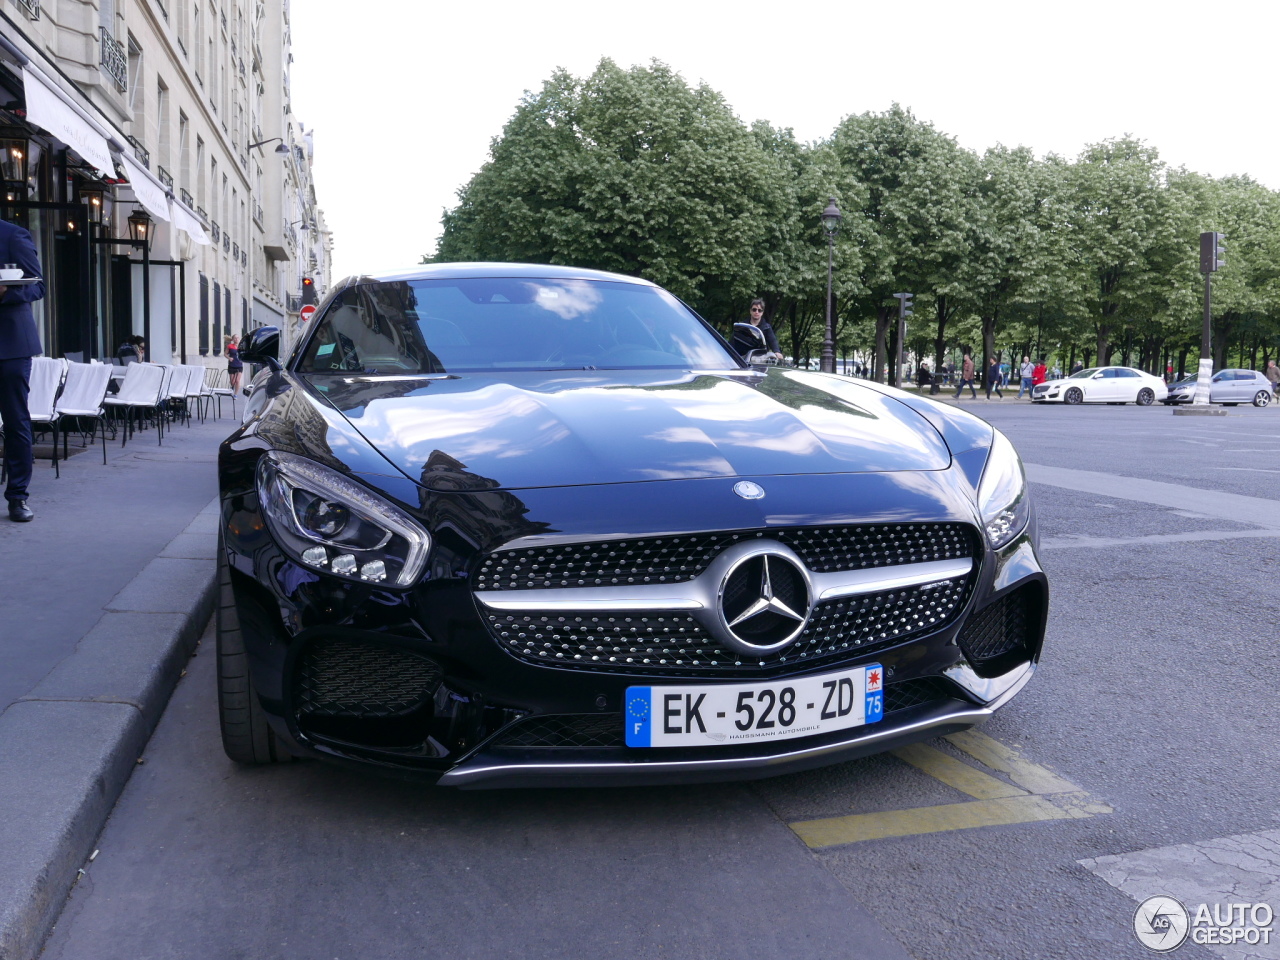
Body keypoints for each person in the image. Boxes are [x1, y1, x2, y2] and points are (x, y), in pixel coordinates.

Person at [0, 217, 47, 523]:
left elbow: (38, 285)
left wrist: (5, 293)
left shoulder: (13, 235)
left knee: (16, 420)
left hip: (11, 346)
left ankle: (18, 497)